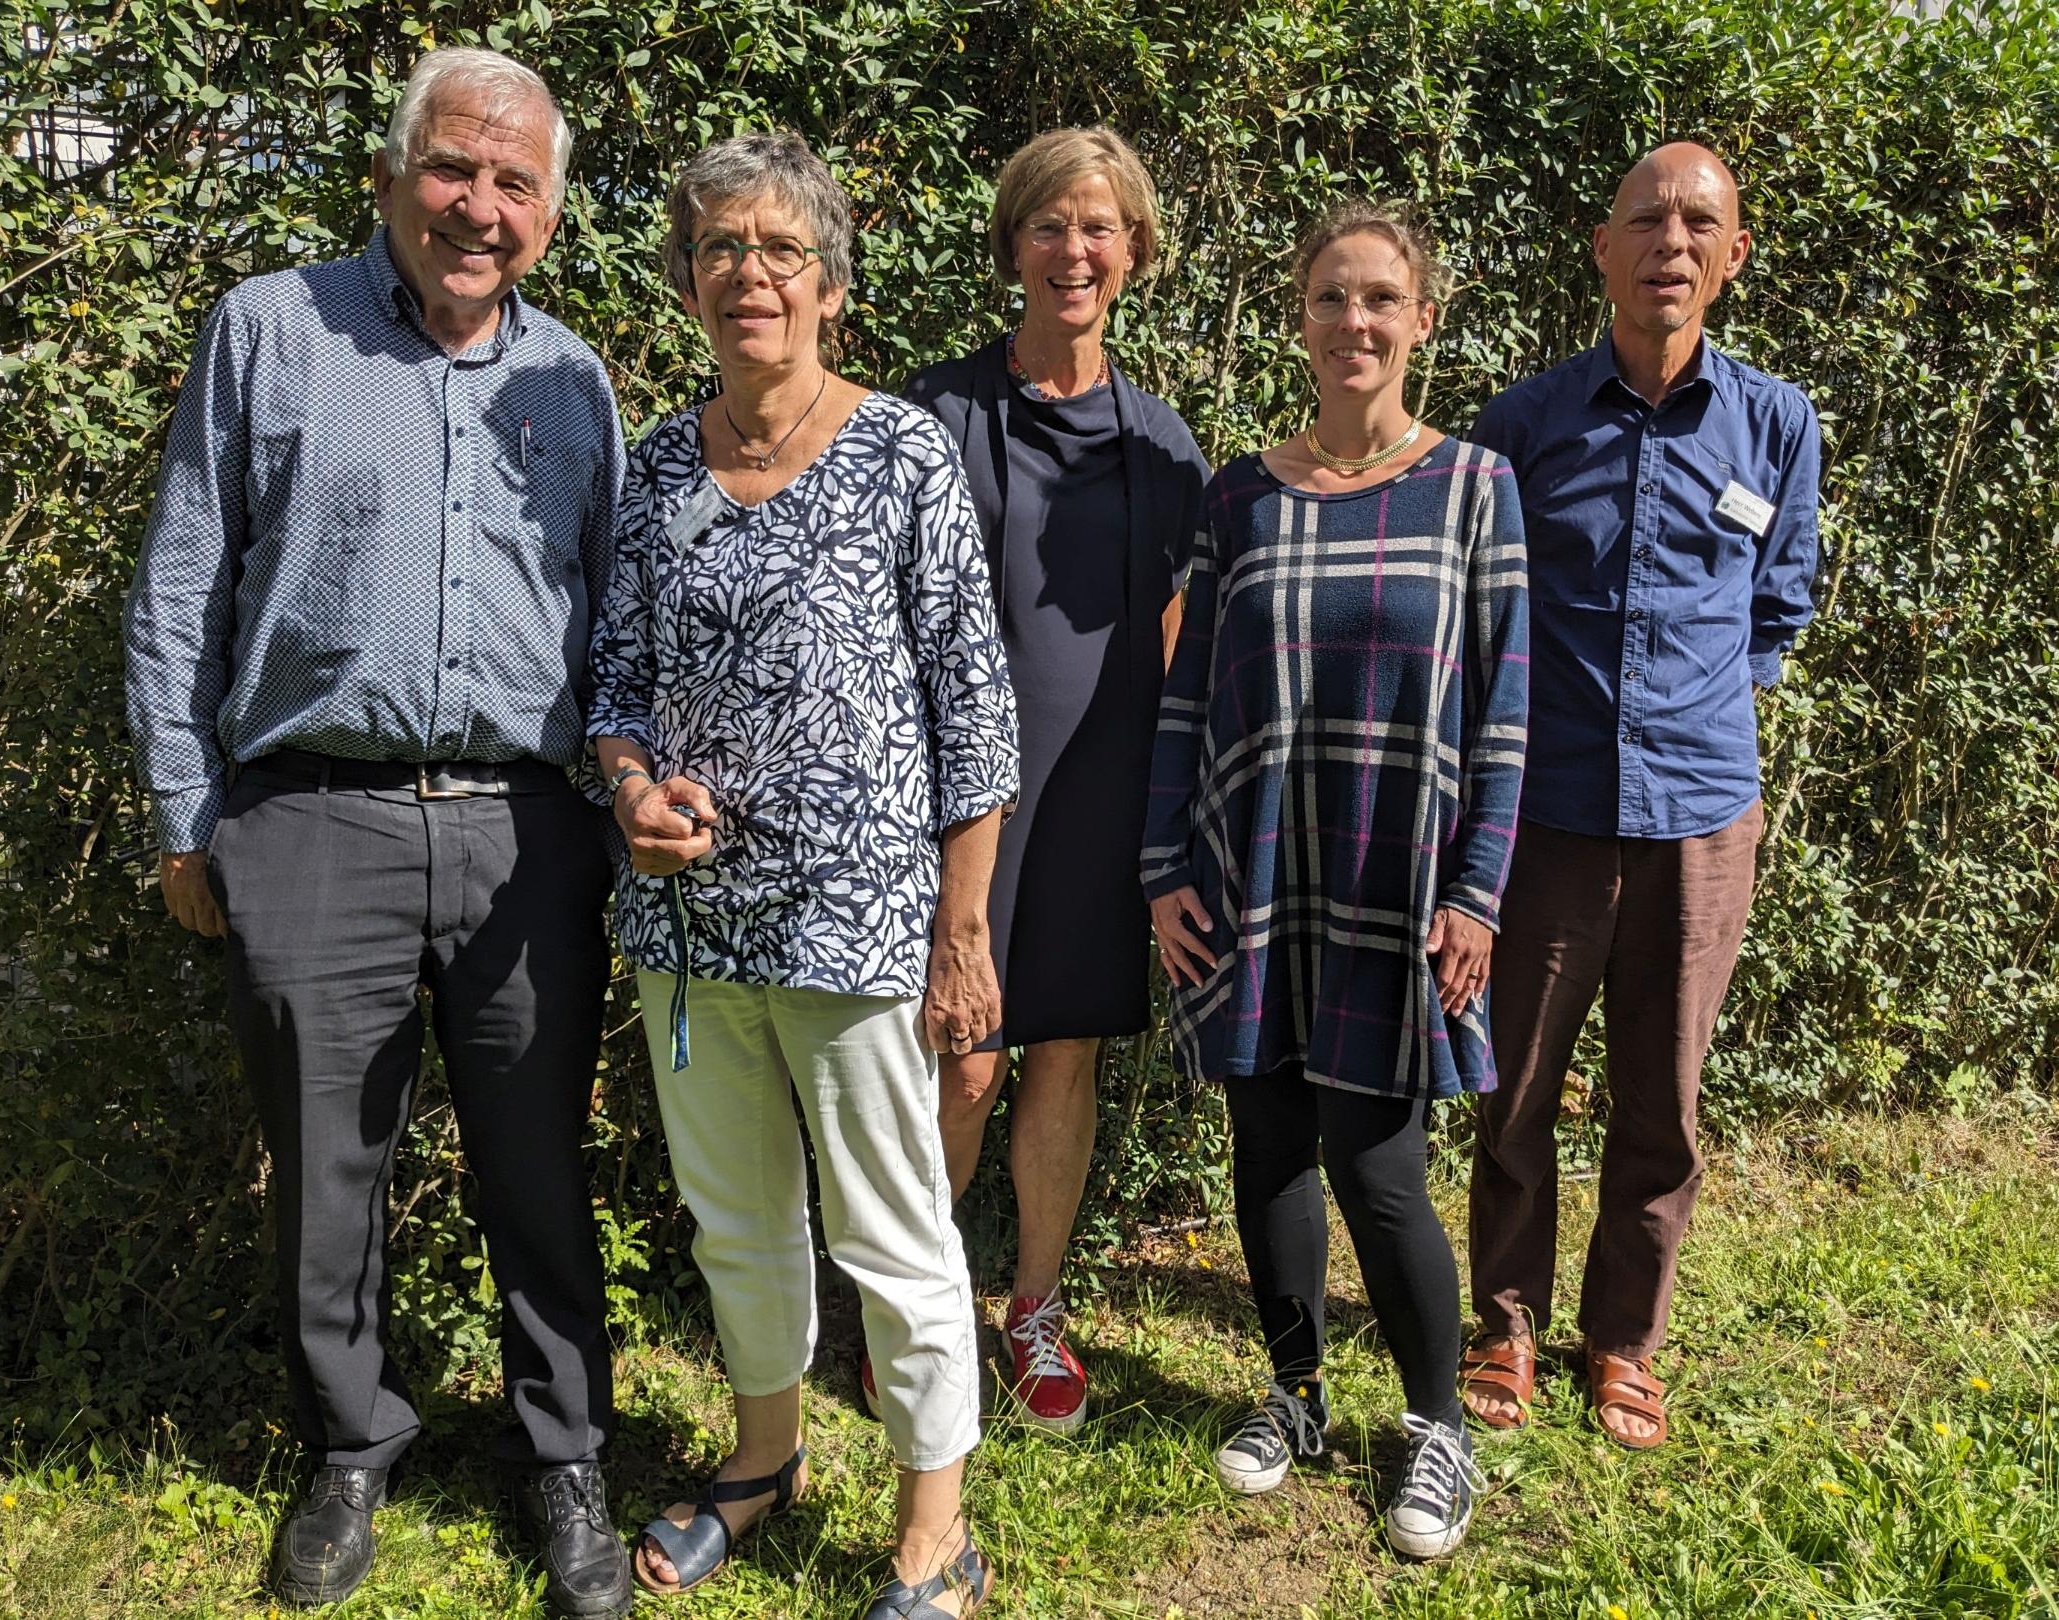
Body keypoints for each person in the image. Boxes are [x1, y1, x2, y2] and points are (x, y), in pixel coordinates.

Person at [123, 47, 631, 1616]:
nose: (480, 208)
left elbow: (613, 620)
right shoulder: (269, 333)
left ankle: (568, 1457)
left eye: (515, 184)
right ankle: (349, 1446)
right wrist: (183, 815)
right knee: (325, 1170)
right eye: (454, 170)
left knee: (539, 1163)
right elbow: (177, 585)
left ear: (550, 210)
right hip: (308, 823)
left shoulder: (578, 382)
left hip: (524, 832)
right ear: (393, 173)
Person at [586, 132, 1017, 1619]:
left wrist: (961, 927)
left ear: (830, 284)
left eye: (780, 250)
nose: (749, 273)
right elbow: (618, 684)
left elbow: (975, 699)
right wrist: (635, 788)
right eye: (721, 249)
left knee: (894, 1229)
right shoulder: (656, 463)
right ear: (688, 281)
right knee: (735, 1218)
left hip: (855, 925)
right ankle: (764, 1461)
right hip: (690, 928)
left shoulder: (903, 449)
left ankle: (934, 1525)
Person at [1142, 200, 1527, 1559]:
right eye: (1329, 298)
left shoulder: (1477, 488)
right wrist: (1157, 870)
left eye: (1381, 300)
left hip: (1395, 878)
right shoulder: (1239, 492)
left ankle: (1437, 1428)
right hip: (1249, 878)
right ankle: (1295, 1393)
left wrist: (1477, 890)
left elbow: (1506, 715)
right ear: (1301, 318)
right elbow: (1184, 696)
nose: (1354, 322)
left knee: (1381, 1167)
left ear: (1421, 320)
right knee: (1265, 1149)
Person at [1460, 143, 1822, 1450]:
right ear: (1602, 250)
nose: (1672, 242)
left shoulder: (1778, 424)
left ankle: (1622, 1341)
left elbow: (1779, 601)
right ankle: (1504, 1321)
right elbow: (1485, 613)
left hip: (1703, 815)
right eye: (1647, 220)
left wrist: (1716, 720)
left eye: (1699, 223)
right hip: (1547, 812)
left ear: (1733, 255)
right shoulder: (1524, 425)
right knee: (1516, 1089)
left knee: (1662, 1099)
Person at [903, 126, 1208, 1433]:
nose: (1073, 250)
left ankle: (1033, 1310)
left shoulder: (1167, 444)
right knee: (959, 1063)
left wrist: (1170, 839)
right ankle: (915, 1310)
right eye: (1048, 224)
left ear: (1133, 252)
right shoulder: (932, 414)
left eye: (1099, 227)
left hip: (1097, 798)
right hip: (950, 805)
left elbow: (1179, 653)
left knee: (1063, 1057)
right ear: (1011, 245)